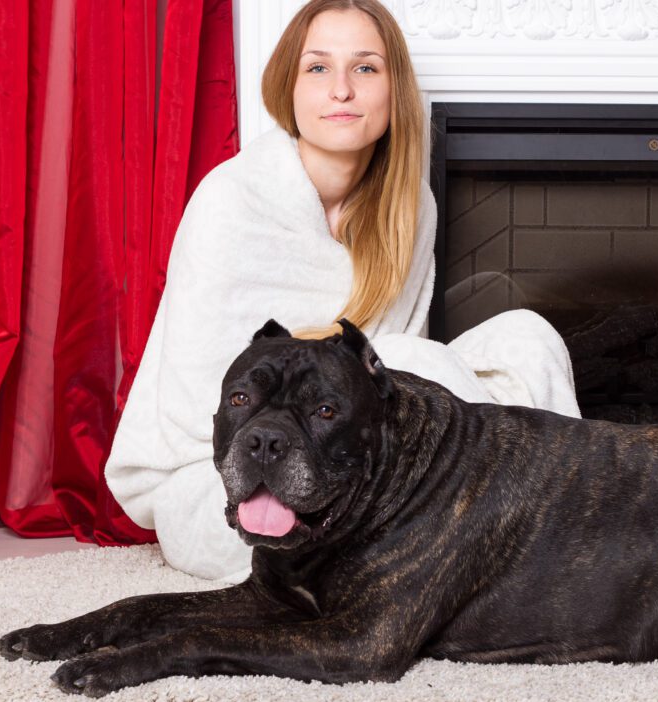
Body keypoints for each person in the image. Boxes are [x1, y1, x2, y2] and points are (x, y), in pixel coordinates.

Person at [104, 0, 580, 582]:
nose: (342, 91)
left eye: (365, 68)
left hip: (350, 466)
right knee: (411, 365)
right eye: (319, 68)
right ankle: (513, 531)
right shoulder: (230, 202)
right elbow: (196, 408)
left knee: (524, 336)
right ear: (290, 87)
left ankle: (557, 513)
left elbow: (391, 395)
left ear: (393, 90)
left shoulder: (410, 210)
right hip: (230, 488)